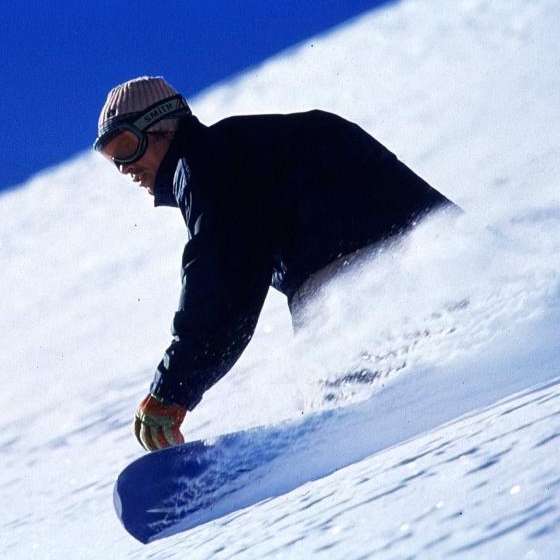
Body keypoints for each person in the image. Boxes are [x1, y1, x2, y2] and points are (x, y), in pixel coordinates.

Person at [93, 76, 459, 452]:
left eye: (125, 146)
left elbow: (222, 280)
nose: (124, 168)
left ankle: (319, 449)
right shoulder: (240, 151)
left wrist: (171, 389)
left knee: (339, 404)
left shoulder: (209, 161)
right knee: (342, 390)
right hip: (404, 262)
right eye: (111, 159)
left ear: (163, 128)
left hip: (365, 269)